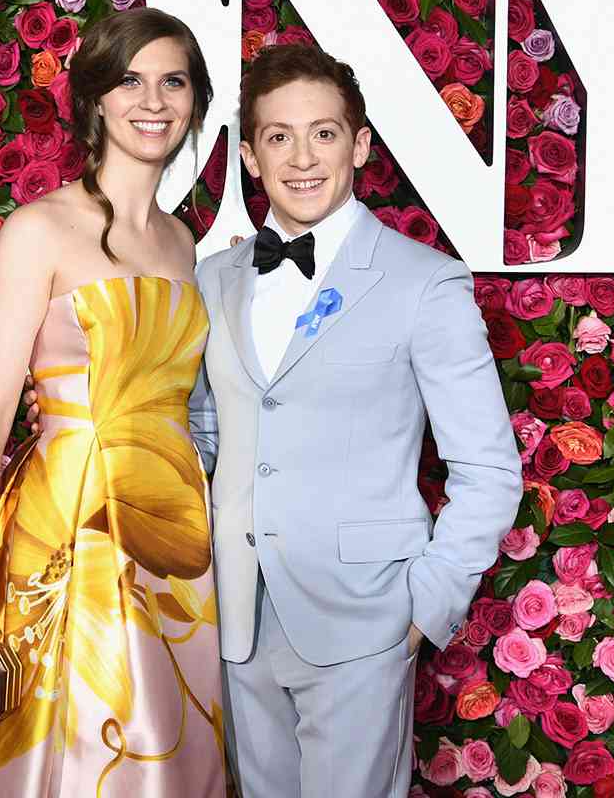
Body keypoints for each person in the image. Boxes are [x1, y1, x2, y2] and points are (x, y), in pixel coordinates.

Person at [0, 7, 229, 798]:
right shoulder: (38, 230)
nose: (153, 100)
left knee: (164, 749)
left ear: (195, 102)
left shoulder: (184, 244)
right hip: (61, 535)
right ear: (94, 102)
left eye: (172, 81)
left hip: (171, 534)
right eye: (129, 81)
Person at [190, 43, 523, 797]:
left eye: (324, 133)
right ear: (249, 155)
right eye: (278, 136)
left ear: (360, 145)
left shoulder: (425, 283)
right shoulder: (213, 279)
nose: (301, 157)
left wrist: (423, 609)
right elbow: (206, 434)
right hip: (234, 615)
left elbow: (488, 469)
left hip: (365, 617)